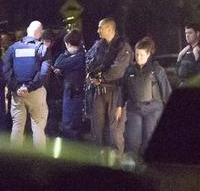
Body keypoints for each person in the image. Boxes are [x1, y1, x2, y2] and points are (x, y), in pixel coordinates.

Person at [86, 18, 132, 155]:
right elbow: (89, 60)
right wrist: (93, 74)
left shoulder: (123, 46)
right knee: (97, 130)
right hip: (98, 92)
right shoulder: (98, 45)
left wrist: (101, 77)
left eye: (100, 28)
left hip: (115, 91)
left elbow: (119, 70)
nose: (97, 30)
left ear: (110, 29)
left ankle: (116, 164)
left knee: (115, 132)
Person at [120, 37, 172, 158]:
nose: (138, 57)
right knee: (132, 140)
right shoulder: (130, 70)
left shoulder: (156, 69)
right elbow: (123, 90)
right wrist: (119, 106)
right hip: (134, 109)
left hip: (153, 109)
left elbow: (166, 91)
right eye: (137, 54)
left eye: (142, 55)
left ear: (148, 54)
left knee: (149, 139)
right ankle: (130, 168)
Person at [3, 20, 49, 149]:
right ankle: (40, 160)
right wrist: (29, 87)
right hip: (35, 93)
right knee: (38, 126)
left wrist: (16, 87)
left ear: (28, 30)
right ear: (40, 33)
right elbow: (43, 73)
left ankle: (14, 161)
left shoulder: (12, 48)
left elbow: (6, 71)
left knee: (17, 126)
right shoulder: (42, 48)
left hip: (17, 94)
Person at [53, 29, 86, 140]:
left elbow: (58, 63)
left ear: (69, 44)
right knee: (69, 121)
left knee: (70, 123)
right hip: (70, 91)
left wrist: (66, 55)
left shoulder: (80, 57)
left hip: (74, 93)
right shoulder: (75, 56)